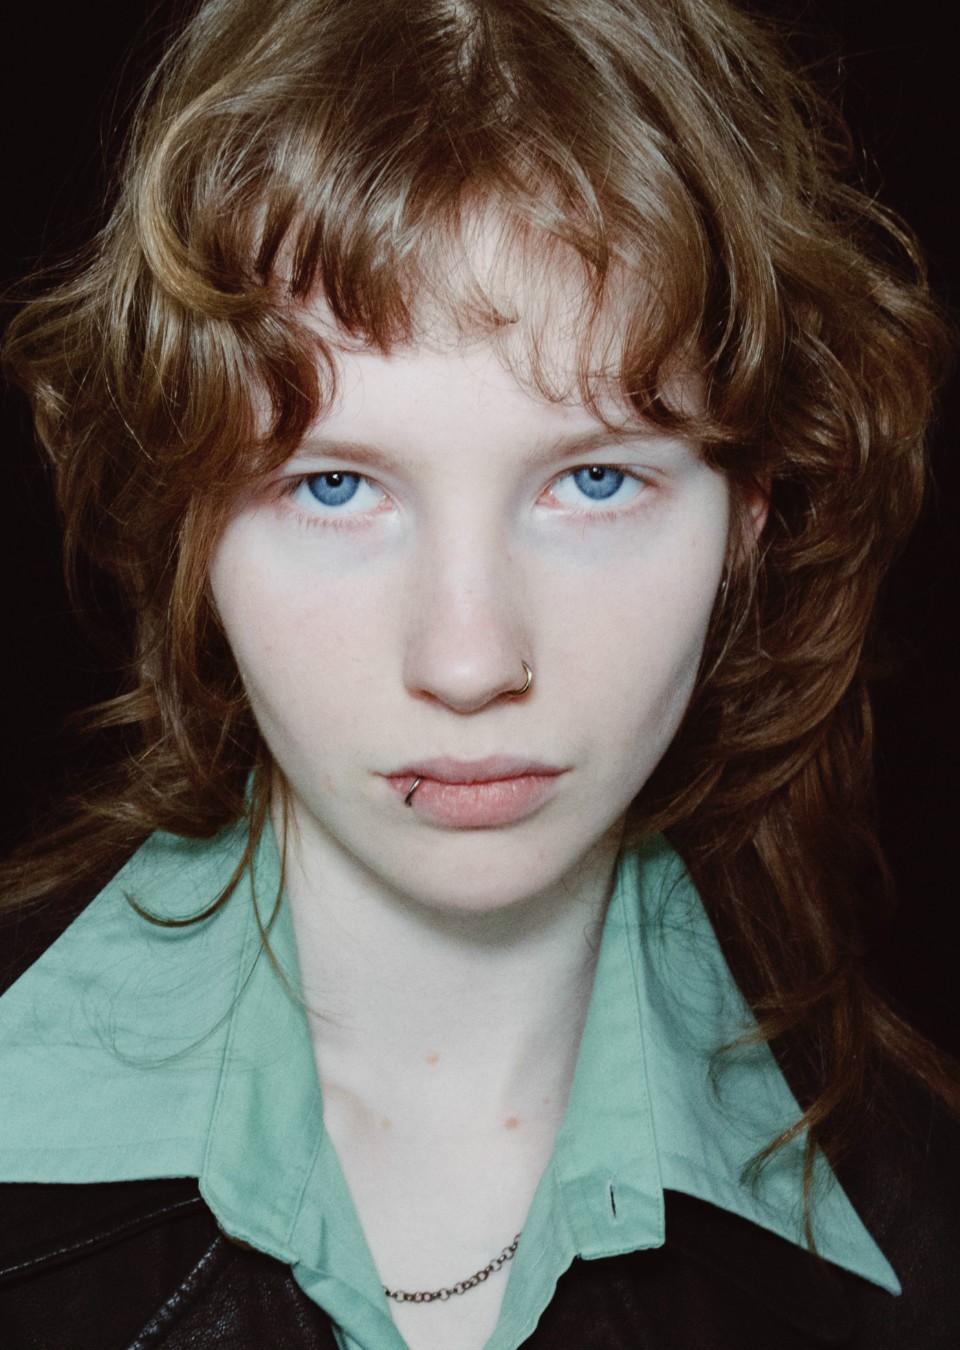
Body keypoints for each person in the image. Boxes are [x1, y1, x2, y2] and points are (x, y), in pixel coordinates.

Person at [0, 0, 957, 1347]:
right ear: (183, 522)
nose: (467, 661)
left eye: (596, 479)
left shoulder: (922, 1238)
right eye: (334, 486)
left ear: (750, 514)